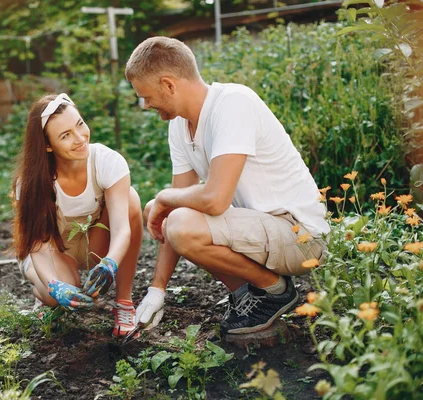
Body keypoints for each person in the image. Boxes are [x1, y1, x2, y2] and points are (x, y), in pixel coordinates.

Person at [124, 37, 330, 335]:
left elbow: (215, 200)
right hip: (261, 230)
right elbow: (171, 213)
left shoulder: (233, 103)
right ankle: (249, 295)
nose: (145, 105)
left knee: (177, 218)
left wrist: (165, 198)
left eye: (146, 96)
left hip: (300, 236)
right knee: (163, 214)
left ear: (169, 84)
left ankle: (274, 291)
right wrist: (157, 290)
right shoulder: (179, 125)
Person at [12, 93, 143, 337]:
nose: (80, 138)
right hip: (53, 248)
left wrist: (110, 262)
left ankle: (124, 303)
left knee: (131, 200)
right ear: (48, 146)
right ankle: (43, 297)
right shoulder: (32, 183)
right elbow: (37, 247)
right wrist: (54, 286)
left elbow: (122, 227)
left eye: (80, 124)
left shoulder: (106, 161)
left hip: (93, 240)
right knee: (59, 295)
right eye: (66, 135)